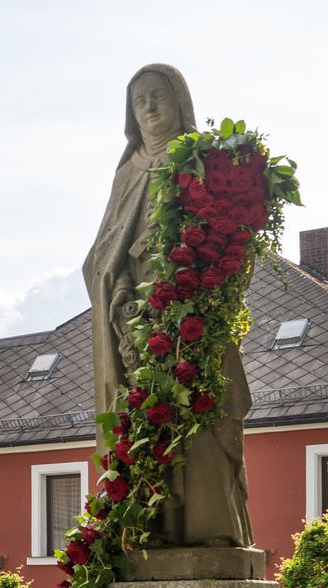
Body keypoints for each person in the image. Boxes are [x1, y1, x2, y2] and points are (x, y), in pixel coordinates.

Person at [83, 62, 253, 548]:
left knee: (199, 415)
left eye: (158, 95)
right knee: (143, 420)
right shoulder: (127, 175)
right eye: (139, 101)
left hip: (192, 313)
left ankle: (210, 529)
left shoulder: (205, 161)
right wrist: (120, 288)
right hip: (135, 323)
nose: (150, 107)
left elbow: (234, 238)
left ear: (180, 101)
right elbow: (102, 255)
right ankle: (148, 529)